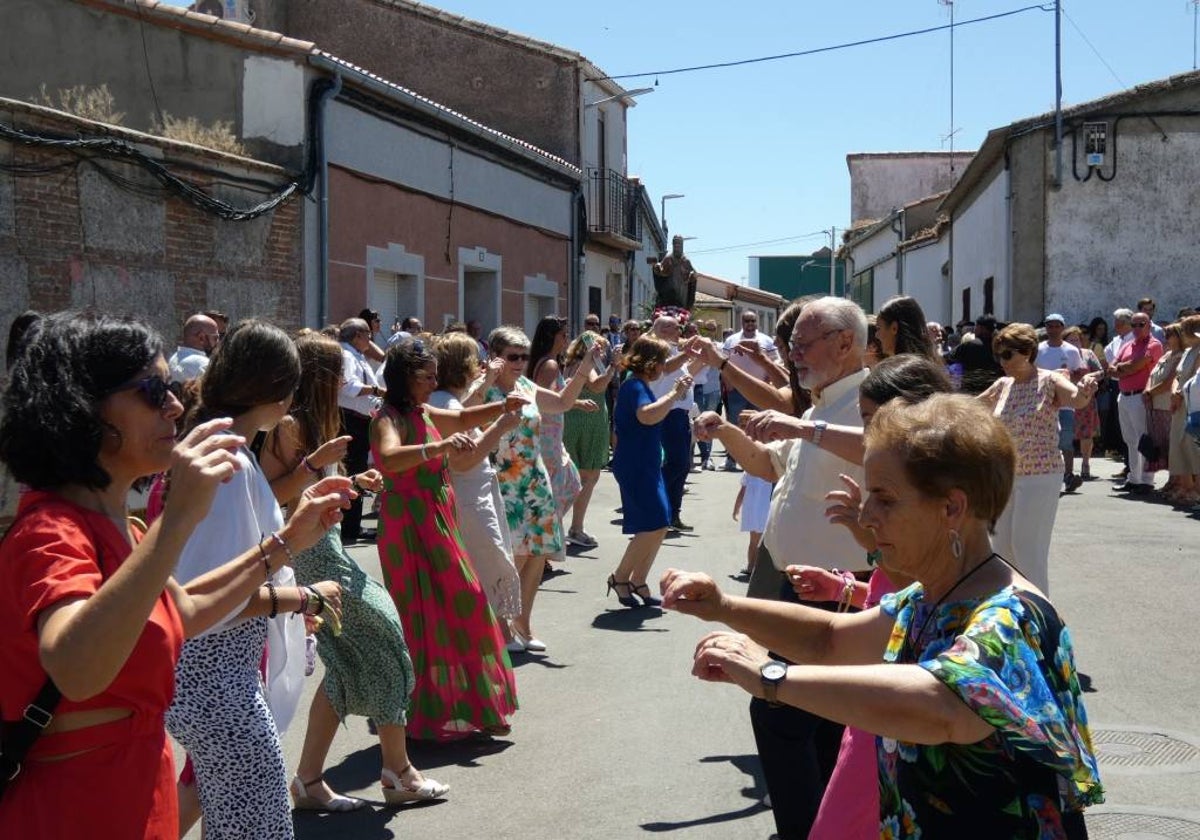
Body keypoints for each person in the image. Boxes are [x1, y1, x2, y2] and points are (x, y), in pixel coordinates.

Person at [664, 393, 1104, 837]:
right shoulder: (932, 595)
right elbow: (832, 639)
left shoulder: (1010, 615)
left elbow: (942, 705)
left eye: (885, 499)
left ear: (952, 508)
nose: (867, 515)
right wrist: (723, 606)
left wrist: (770, 677)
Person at [0, 312, 350, 839]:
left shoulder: (114, 524)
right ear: (81, 408)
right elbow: (75, 668)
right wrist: (179, 520)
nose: (175, 404)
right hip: (80, 806)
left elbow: (180, 610)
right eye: (151, 389)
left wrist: (288, 543)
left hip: (132, 789)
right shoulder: (52, 531)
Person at [164, 320, 351, 840]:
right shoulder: (228, 461)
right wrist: (303, 595)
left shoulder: (228, 450)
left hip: (218, 680)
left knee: (235, 824)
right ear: (275, 394)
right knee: (258, 828)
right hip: (216, 682)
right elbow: (212, 599)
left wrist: (297, 528)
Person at [692, 296, 869, 840]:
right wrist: (724, 432)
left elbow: (885, 450)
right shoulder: (817, 405)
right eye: (791, 345)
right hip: (799, 585)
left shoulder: (868, 400)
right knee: (819, 722)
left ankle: (804, 829)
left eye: (803, 343)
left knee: (780, 715)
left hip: (840, 591)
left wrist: (801, 429)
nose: (793, 354)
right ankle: (823, 825)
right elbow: (769, 467)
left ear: (845, 343)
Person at [259, 333, 448, 810]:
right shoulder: (288, 425)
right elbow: (268, 497)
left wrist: (351, 483)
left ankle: (309, 781)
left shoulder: (320, 421)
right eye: (338, 372)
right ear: (319, 377)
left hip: (326, 546)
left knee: (346, 664)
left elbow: (316, 489)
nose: (347, 379)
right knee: (386, 634)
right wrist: (312, 466)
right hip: (308, 555)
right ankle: (397, 770)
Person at [370, 339, 519, 739]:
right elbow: (389, 457)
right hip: (409, 524)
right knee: (425, 614)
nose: (435, 381)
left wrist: (504, 407)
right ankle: (422, 714)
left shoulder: (422, 410)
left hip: (437, 516)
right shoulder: (387, 417)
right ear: (405, 378)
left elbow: (464, 417)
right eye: (427, 376)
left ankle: (474, 706)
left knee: (462, 603)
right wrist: (438, 447)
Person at [484, 326, 600, 650]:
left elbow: (562, 402)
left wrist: (583, 370)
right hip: (503, 481)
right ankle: (501, 627)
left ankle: (523, 625)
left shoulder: (526, 385)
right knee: (513, 558)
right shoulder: (486, 389)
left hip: (534, 480)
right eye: (513, 356)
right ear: (495, 357)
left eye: (524, 355)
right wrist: (485, 381)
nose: (520, 362)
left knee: (536, 556)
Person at [980, 323, 1098, 593]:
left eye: (1008, 355)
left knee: (1026, 547)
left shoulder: (1049, 380)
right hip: (1006, 475)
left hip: (1041, 475)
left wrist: (1085, 390)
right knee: (1001, 547)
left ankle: (1039, 614)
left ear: (1027, 352)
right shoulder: (1002, 385)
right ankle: (1008, 609)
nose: (1002, 361)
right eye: (999, 355)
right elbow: (972, 408)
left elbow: (1076, 399)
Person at [428, 333, 522, 625]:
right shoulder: (447, 403)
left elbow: (467, 406)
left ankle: (496, 635)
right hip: (469, 499)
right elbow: (464, 459)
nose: (481, 364)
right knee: (486, 564)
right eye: (476, 359)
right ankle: (493, 638)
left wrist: (488, 381)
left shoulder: (442, 398)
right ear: (464, 366)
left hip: (468, 495)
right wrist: (502, 425)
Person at [607, 334, 692, 607]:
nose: (663, 366)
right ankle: (620, 577)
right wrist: (674, 393)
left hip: (645, 463)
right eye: (662, 361)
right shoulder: (635, 386)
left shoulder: (638, 383)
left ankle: (638, 580)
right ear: (651, 362)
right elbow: (647, 416)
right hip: (636, 465)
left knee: (659, 524)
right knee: (653, 524)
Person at [528, 316, 586, 552]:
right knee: (560, 487)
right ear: (552, 337)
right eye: (563, 335)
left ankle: (545, 544)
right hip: (547, 434)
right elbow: (544, 400)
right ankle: (542, 545)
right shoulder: (550, 365)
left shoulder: (547, 361)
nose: (567, 339)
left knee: (565, 484)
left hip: (550, 432)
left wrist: (577, 402)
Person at [561, 333, 616, 547]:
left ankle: (569, 527)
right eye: (600, 348)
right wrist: (612, 368)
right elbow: (597, 386)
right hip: (586, 422)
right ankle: (576, 528)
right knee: (588, 476)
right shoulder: (588, 364)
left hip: (575, 420)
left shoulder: (571, 363)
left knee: (576, 476)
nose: (602, 352)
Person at [650, 316, 705, 529]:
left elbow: (685, 371)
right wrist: (687, 352)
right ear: (662, 329)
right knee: (676, 464)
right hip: (667, 414)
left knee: (682, 466)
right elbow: (665, 368)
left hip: (680, 414)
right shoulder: (656, 348)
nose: (678, 330)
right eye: (674, 327)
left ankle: (673, 513)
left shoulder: (673, 349)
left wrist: (705, 358)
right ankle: (659, 509)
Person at [337, 318, 385, 543]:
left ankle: (353, 526)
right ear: (356, 335)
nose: (370, 338)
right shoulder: (346, 355)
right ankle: (349, 529)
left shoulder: (356, 355)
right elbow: (349, 387)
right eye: (367, 334)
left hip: (360, 420)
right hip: (350, 420)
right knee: (353, 472)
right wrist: (378, 390)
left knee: (356, 471)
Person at [719, 310, 783, 470]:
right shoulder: (732, 340)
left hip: (760, 390)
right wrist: (729, 384)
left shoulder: (766, 341)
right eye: (747, 321)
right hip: (736, 391)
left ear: (757, 323)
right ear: (742, 323)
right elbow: (723, 362)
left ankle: (759, 459)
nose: (750, 324)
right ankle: (731, 460)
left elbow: (775, 363)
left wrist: (768, 382)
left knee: (759, 424)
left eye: (753, 321)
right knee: (734, 424)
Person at [1111, 311, 1165, 494]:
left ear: (1149, 325)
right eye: (1133, 325)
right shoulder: (1127, 345)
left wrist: (1123, 369)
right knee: (1130, 440)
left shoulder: (1154, 345)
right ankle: (1134, 478)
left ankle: (1147, 481)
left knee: (1144, 439)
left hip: (1141, 396)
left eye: (1140, 324)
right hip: (1124, 395)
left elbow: (1137, 366)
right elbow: (1111, 368)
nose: (1136, 328)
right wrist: (1124, 369)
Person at [1036, 313, 1088, 492]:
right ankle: (1045, 475)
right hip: (1043, 403)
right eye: (1050, 326)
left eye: (1057, 326)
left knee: (1065, 440)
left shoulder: (1071, 351)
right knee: (1044, 440)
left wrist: (1065, 376)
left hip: (1065, 403)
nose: (1053, 329)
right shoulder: (1038, 349)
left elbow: (1080, 372)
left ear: (1062, 328)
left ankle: (1068, 475)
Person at [1144, 322, 1183, 493]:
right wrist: (1147, 391)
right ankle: (1171, 481)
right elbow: (1151, 375)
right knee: (1162, 446)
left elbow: (1169, 382)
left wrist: (1150, 393)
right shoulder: (1166, 355)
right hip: (1156, 406)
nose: (1166, 338)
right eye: (1165, 335)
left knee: (1172, 446)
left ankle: (1178, 482)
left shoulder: (1181, 356)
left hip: (1168, 407)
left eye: (1170, 335)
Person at [1168, 315, 1200, 506]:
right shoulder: (1188, 352)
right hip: (1179, 404)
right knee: (1179, 445)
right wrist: (1174, 393)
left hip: (1192, 405)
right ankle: (1186, 486)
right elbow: (1177, 376)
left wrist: (1179, 394)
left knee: (1193, 446)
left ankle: (1197, 490)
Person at [1063, 326, 1103, 479]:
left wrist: (1088, 376)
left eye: (1077, 339)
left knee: (1086, 434)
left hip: (1086, 399)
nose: (1075, 342)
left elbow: (1101, 372)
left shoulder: (1088, 354)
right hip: (1065, 398)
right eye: (1071, 340)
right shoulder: (1062, 354)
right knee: (1066, 433)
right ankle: (1067, 468)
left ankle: (1085, 463)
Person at [947, 313, 1004, 395]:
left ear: (981, 328)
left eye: (976, 326)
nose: (974, 329)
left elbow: (948, 358)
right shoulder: (1001, 346)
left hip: (972, 393)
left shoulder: (970, 345)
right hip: (995, 393)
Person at [875, 295, 940, 362]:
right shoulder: (928, 364)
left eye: (878, 328)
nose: (876, 335)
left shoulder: (904, 370)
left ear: (894, 328)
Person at [731, 471, 771, 581]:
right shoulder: (772, 471)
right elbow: (743, 491)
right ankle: (754, 567)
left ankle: (751, 566)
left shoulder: (750, 471)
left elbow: (742, 491)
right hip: (764, 510)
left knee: (754, 541)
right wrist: (736, 508)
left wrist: (736, 508)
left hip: (753, 510)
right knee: (760, 542)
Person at [167, 313, 220, 384]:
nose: (218, 342)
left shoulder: (172, 359)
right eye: (215, 338)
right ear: (201, 338)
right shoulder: (204, 365)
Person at [649, 234, 697, 309]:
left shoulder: (686, 261)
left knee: (681, 302)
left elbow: (693, 275)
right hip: (669, 288)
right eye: (675, 245)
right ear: (673, 245)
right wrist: (657, 268)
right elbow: (661, 271)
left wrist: (692, 275)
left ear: (682, 246)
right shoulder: (668, 259)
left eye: (679, 245)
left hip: (682, 289)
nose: (677, 247)